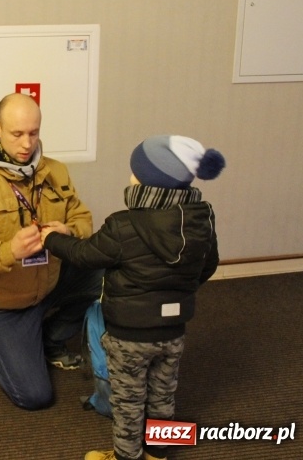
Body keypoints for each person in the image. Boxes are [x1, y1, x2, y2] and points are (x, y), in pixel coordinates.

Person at [41, 135, 225, 460]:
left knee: (128, 402)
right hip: (174, 331)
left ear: (145, 180)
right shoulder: (201, 220)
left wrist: (52, 237)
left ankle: (126, 456)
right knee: (163, 396)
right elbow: (207, 266)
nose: (131, 176)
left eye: (135, 171)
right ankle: (158, 453)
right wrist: (179, 289)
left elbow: (84, 255)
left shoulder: (123, 225)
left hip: (129, 334)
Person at [0, 93, 103, 410]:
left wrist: (69, 231)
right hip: (1, 302)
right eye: (17, 134)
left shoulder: (55, 172)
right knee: (34, 396)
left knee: (103, 271)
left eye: (34, 133)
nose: (26, 143)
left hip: (47, 281)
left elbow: (83, 219)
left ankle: (49, 339)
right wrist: (10, 251)